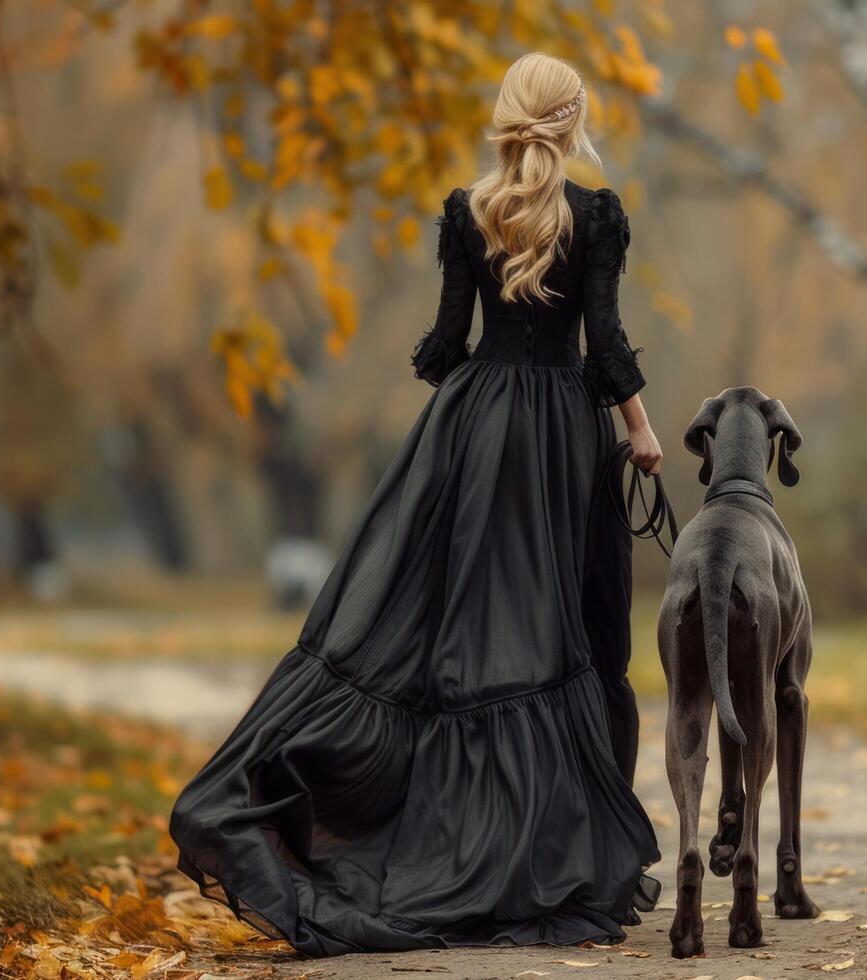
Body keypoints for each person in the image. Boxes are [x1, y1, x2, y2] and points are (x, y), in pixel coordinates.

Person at [168, 52, 665, 956]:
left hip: (473, 435)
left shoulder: (465, 210)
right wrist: (640, 429)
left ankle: (399, 828)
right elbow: (607, 342)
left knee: (463, 630)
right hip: (561, 435)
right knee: (558, 628)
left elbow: (444, 344)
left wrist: (460, 396)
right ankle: (542, 851)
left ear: (508, 114)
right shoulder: (596, 216)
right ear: (572, 118)